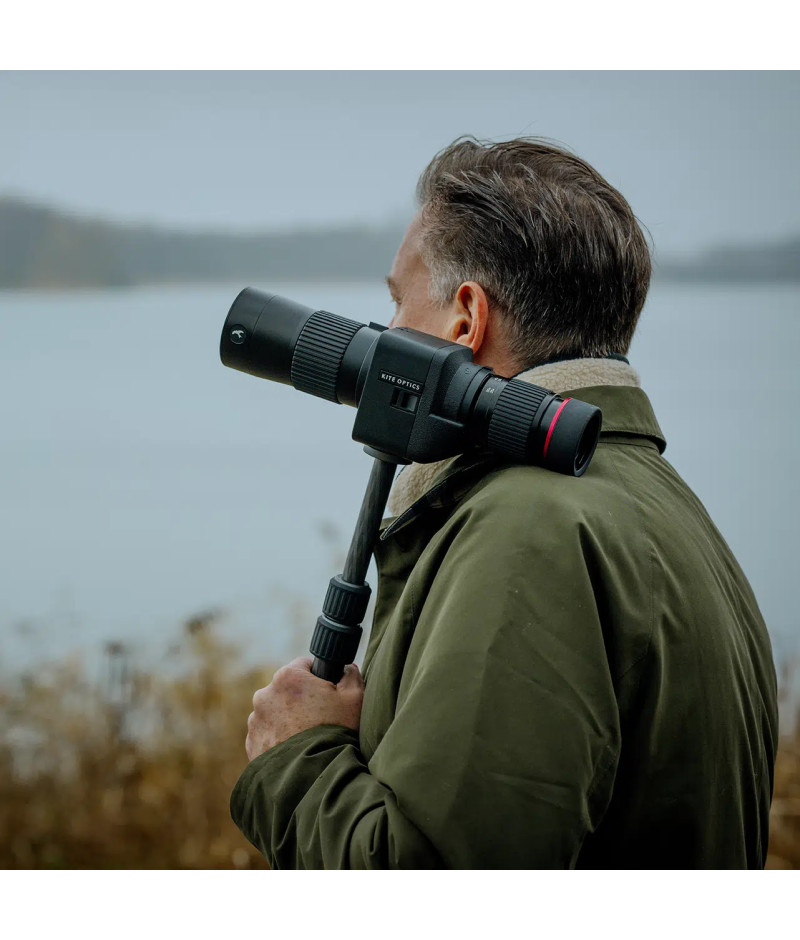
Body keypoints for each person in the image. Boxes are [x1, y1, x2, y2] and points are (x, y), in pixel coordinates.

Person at [230, 137, 778, 869]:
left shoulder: (530, 530)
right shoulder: (663, 504)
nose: (384, 333)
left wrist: (297, 756)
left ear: (465, 319)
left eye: (397, 301)